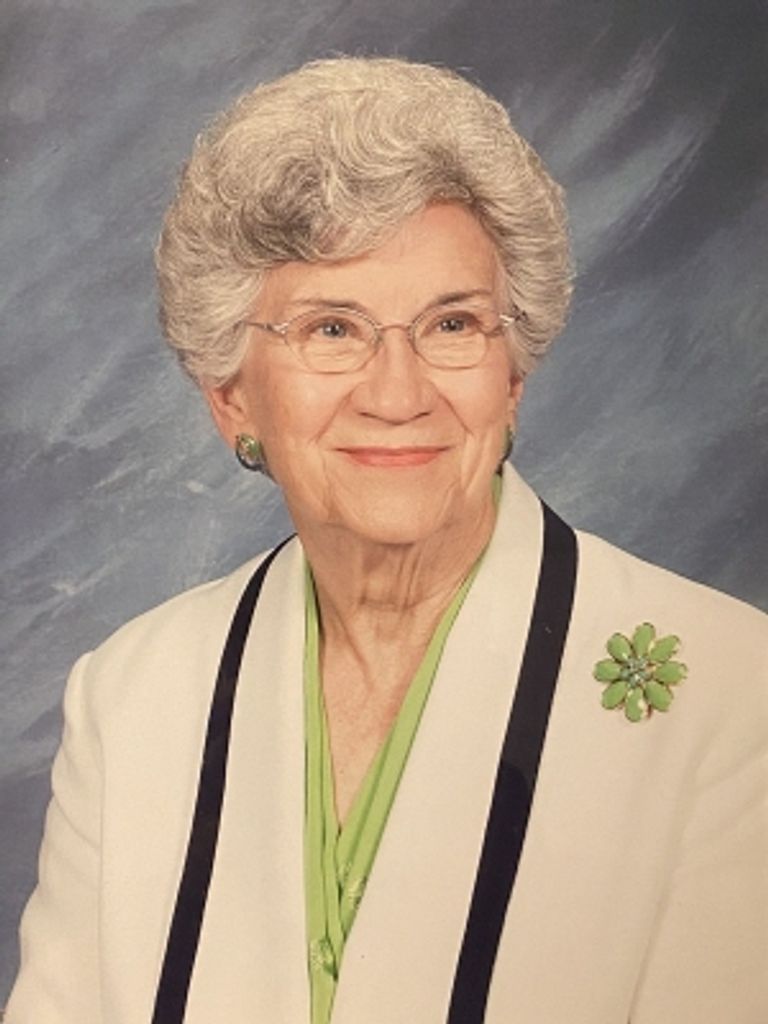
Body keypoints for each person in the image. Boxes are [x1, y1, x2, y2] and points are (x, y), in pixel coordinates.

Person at [6, 57, 767, 1024]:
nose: (398, 394)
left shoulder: (734, 693)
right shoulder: (130, 695)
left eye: (452, 323)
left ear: (512, 376)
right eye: (332, 329)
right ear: (230, 395)